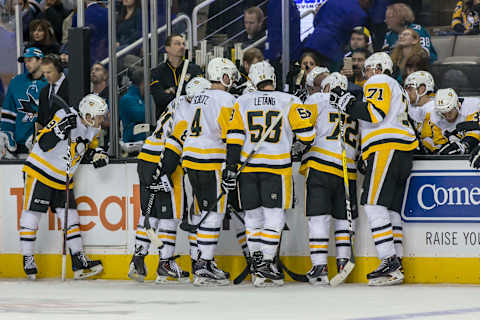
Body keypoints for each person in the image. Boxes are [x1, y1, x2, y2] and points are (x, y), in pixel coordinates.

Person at [224, 61, 315, 287]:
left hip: (247, 168)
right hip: (276, 167)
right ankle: (265, 264)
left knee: (253, 218)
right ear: (273, 78)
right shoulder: (289, 100)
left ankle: (257, 268)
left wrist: (231, 166)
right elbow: (308, 135)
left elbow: (234, 138)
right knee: (274, 217)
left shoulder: (241, 101)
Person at [333, 52, 418, 286]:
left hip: (386, 149)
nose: (366, 74)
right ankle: (397, 262)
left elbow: (374, 114)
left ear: (379, 68)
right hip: (401, 152)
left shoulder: (379, 81)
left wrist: (346, 102)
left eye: (368, 69)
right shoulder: (398, 89)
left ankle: (389, 262)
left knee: (372, 204)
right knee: (390, 210)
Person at [160, 58, 238, 286]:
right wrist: (232, 165)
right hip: (210, 159)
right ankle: (204, 264)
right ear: (222, 75)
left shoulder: (199, 97)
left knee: (201, 210)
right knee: (214, 211)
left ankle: (202, 262)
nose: (232, 79)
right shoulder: (226, 99)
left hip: (190, 160)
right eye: (229, 75)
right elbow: (230, 135)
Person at [128, 77, 212, 283]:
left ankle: (137, 260)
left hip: (146, 157)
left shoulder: (177, 102)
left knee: (151, 214)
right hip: (165, 161)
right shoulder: (190, 113)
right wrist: (164, 172)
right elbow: (174, 147)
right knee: (171, 215)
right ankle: (164, 262)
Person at [19, 94, 109, 280]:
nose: (102, 119)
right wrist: (60, 130)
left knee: (72, 218)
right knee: (33, 214)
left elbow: (86, 149)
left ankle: (78, 261)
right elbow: (43, 143)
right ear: (88, 114)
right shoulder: (64, 115)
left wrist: (99, 155)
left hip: (63, 177)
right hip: (41, 172)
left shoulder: (93, 129)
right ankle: (27, 258)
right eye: (99, 116)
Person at [300, 72, 359, 285]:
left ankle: (319, 267)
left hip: (321, 165)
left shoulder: (317, 99)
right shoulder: (354, 106)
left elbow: (303, 127)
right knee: (343, 220)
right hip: (347, 170)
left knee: (319, 217)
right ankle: (343, 264)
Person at [0, 47, 47, 159]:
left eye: (30, 60)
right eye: (25, 61)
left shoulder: (50, 83)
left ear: (40, 60)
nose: (27, 64)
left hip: (43, 147)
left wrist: (43, 134)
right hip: (18, 147)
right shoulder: (16, 82)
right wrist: (6, 131)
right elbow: (9, 111)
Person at [299, 0, 370, 70]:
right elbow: (355, 36)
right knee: (332, 78)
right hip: (331, 50)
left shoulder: (331, 1)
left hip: (313, 42)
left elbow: (316, 21)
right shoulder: (359, 13)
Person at [150, 34, 202, 116]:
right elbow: (160, 99)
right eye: (177, 44)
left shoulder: (194, 69)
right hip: (166, 122)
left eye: (183, 44)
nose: (182, 47)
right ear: (167, 48)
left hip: (189, 120)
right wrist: (186, 93)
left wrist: (172, 90)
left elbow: (198, 94)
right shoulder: (156, 72)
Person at [432, 88, 480, 156]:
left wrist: (464, 146)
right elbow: (438, 142)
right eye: (443, 113)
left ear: (457, 104)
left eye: (450, 111)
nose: (447, 116)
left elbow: (475, 134)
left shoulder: (471, 107)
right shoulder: (435, 116)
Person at [404, 71, 441, 153]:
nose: (406, 93)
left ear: (421, 89)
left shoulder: (435, 109)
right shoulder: (412, 107)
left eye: (409, 89)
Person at [37, 54, 69, 131]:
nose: (46, 76)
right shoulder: (44, 91)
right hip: (47, 140)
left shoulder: (72, 87)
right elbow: (40, 119)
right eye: (44, 73)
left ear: (59, 69)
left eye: (49, 72)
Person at [119, 67, 146, 157]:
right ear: (143, 83)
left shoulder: (140, 98)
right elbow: (141, 116)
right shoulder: (128, 98)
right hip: (132, 149)